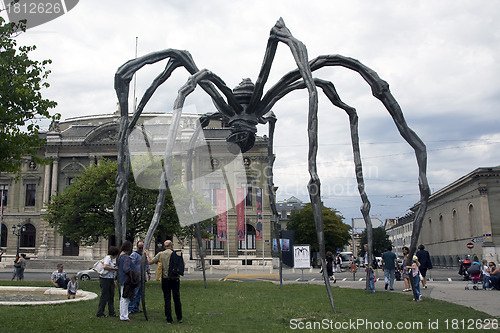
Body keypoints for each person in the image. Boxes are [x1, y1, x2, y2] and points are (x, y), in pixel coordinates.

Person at [146, 240, 183, 324]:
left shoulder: (161, 254)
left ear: (164, 246)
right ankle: (179, 317)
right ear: (172, 246)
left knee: (167, 298)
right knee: (177, 298)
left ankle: (169, 318)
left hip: (166, 278)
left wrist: (147, 255)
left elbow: (150, 262)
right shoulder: (177, 253)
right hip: (175, 278)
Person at [97, 246, 120, 318]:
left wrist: (113, 281)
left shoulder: (111, 259)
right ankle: (100, 312)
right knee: (104, 296)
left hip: (110, 279)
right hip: (105, 279)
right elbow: (105, 266)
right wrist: (113, 268)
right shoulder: (107, 258)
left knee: (111, 296)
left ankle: (111, 311)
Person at [128, 241, 150, 314]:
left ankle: (136, 307)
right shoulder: (134, 255)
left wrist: (148, 272)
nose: (141, 248)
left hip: (142, 277)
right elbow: (131, 265)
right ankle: (131, 308)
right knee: (134, 293)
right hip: (136, 277)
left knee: (139, 294)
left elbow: (147, 264)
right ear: (137, 247)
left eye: (142, 247)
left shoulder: (144, 255)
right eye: (140, 247)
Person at [118, 240, 133, 322]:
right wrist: (132, 272)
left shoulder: (120, 256)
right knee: (125, 298)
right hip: (126, 279)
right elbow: (126, 268)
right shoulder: (126, 257)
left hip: (122, 278)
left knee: (122, 298)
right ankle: (124, 316)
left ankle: (123, 314)